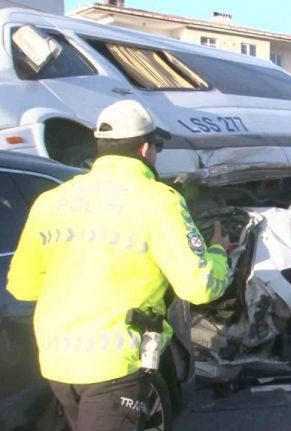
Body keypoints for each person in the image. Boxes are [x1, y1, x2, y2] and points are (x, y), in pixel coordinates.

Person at [7, 100, 230, 431]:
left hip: (57, 361)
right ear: (143, 148)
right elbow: (200, 287)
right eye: (157, 147)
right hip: (115, 364)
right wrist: (218, 252)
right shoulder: (158, 199)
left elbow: (22, 286)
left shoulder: (50, 201)